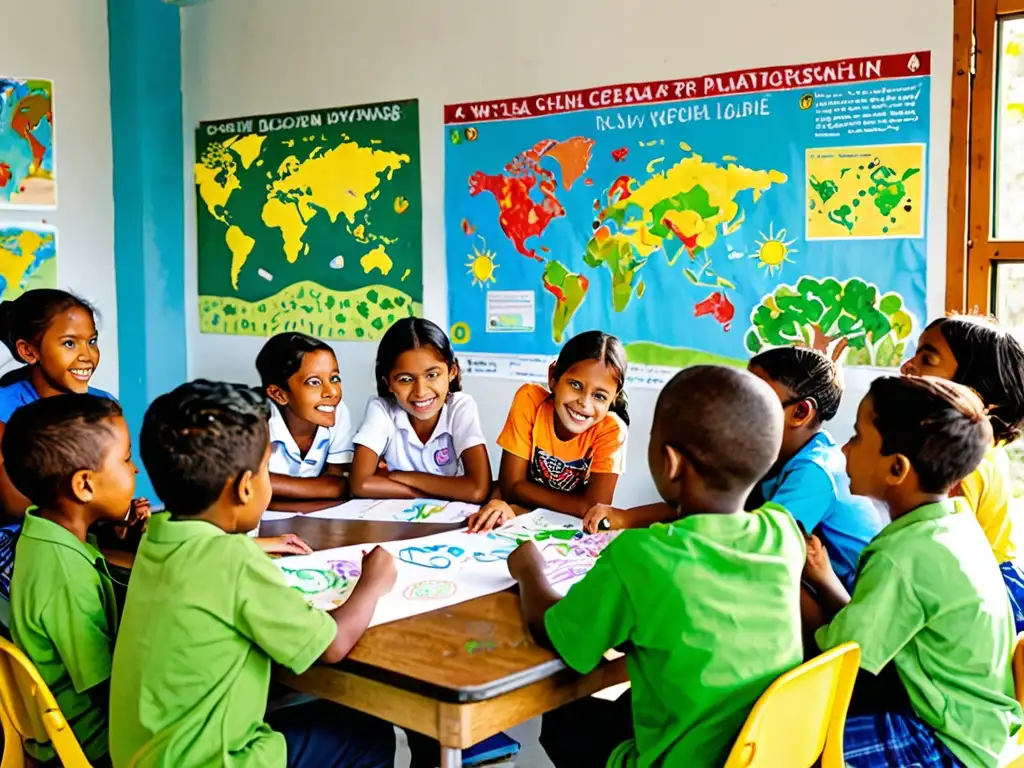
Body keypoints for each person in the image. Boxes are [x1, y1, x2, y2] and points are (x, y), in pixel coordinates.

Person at [508, 365, 804, 767]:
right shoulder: (783, 533)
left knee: (564, 718)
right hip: (760, 752)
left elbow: (556, 633)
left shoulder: (640, 555)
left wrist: (528, 569)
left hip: (674, 759)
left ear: (670, 462)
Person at [109, 381, 396, 768]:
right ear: (245, 488)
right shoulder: (234, 559)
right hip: (213, 761)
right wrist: (373, 582)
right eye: (266, 468)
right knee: (370, 733)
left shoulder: (154, 538)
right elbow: (332, 645)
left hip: (146, 754)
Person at [804, 375, 1021, 767]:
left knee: (799, 745)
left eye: (856, 436)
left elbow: (842, 656)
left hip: (946, 742)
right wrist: (823, 577)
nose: (843, 448)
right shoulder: (955, 523)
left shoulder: (902, 555)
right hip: (983, 725)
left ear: (897, 468)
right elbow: (870, 625)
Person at [4, 394, 141, 766]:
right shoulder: (64, 573)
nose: (135, 471)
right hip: (96, 743)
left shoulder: (42, 535)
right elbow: (107, 686)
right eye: (126, 459)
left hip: (73, 729)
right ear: (84, 486)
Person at [0, 290, 147, 621]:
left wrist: (119, 517)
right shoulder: (4, 406)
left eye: (92, 341)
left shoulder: (101, 404)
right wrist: (97, 508)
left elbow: (109, 477)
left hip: (81, 527)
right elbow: (11, 503)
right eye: (70, 344)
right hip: (18, 539)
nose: (87, 356)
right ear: (28, 351)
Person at [902, 315, 1024, 631]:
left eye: (927, 358)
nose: (907, 366)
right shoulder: (981, 448)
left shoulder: (965, 462)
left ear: (974, 390)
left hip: (980, 589)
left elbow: (945, 552)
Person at [747, 346, 881, 590]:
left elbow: (761, 546)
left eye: (754, 399)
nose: (738, 409)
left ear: (800, 412)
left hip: (850, 601)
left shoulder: (815, 469)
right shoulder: (781, 455)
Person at [467, 331, 628, 531]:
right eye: (576, 385)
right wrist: (577, 504)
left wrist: (523, 498)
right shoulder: (530, 400)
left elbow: (594, 508)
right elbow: (510, 486)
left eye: (600, 396)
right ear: (553, 376)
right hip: (510, 511)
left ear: (614, 398)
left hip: (561, 526)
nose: (584, 403)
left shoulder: (611, 430)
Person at [349, 317, 490, 503]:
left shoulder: (460, 408)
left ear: (452, 372)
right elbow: (360, 484)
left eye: (432, 375)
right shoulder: (381, 409)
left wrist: (400, 476)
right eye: (406, 379)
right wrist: (426, 494)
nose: (421, 391)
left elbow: (477, 490)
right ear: (388, 383)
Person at [256, 332, 355, 503]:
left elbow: (338, 485)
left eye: (334, 378)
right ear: (278, 394)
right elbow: (245, 487)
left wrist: (270, 484)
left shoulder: (337, 411)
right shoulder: (256, 421)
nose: (332, 392)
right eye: (314, 382)